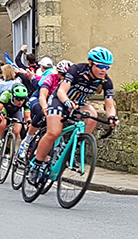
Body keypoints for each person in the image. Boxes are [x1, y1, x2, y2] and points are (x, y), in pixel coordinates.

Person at [27, 47, 118, 185]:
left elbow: (110, 105)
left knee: (92, 115)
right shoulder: (77, 70)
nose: (103, 70)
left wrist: (112, 117)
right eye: (100, 66)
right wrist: (67, 102)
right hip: (59, 100)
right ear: (91, 63)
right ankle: (36, 165)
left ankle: (74, 148)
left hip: (79, 103)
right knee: (53, 133)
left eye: (107, 67)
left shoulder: (105, 81)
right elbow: (62, 91)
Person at [0, 84, 31, 161]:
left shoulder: (26, 100)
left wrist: (29, 122)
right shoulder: (6, 94)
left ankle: (8, 151)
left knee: (17, 129)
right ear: (13, 96)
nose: (20, 102)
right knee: (2, 124)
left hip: (16, 111)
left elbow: (27, 117)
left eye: (22, 99)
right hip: (4, 109)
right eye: (17, 99)